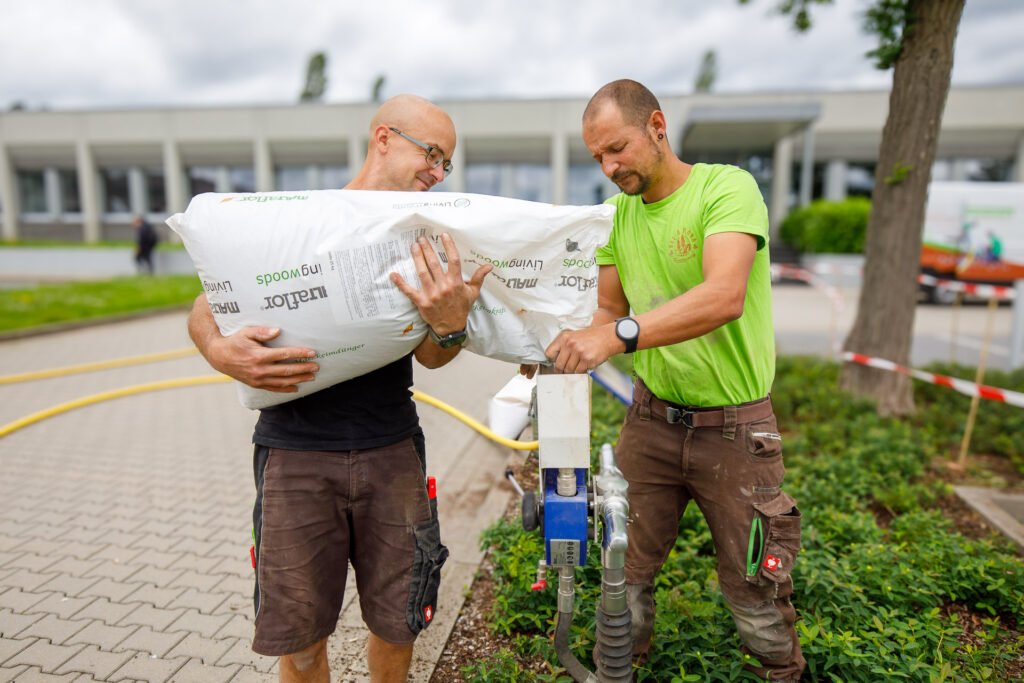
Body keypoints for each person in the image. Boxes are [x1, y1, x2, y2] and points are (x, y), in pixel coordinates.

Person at [187, 94, 491, 683]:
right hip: (295, 455)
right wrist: (218, 350)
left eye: (446, 163)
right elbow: (205, 305)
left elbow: (431, 357)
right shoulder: (304, 216)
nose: (438, 172)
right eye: (431, 154)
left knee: (398, 626)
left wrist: (452, 327)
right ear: (383, 139)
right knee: (299, 641)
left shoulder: (425, 234)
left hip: (390, 450)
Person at [541, 80, 805, 681]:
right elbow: (608, 310)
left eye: (618, 148)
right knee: (623, 571)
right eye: (597, 158)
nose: (609, 167)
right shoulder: (614, 217)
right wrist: (555, 340)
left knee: (754, 588)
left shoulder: (726, 189)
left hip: (736, 431)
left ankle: (780, 672)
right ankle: (620, 668)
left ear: (657, 126)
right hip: (651, 422)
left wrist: (614, 337)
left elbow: (723, 296)